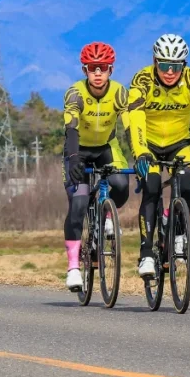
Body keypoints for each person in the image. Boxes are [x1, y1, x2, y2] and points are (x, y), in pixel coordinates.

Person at [127, 34, 190, 279]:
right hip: (147, 143)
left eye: (176, 66)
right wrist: (140, 152)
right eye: (164, 65)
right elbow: (135, 117)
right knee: (151, 187)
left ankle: (177, 228)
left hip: (179, 143)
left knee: (187, 184)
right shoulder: (142, 80)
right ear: (154, 61)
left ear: (184, 64)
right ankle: (147, 252)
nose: (170, 72)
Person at [61, 42, 131, 292]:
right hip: (78, 149)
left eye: (103, 68)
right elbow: (71, 127)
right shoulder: (75, 93)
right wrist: (73, 157)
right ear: (85, 70)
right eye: (93, 68)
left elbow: (130, 126)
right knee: (78, 204)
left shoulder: (120, 93)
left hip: (106, 147)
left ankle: (106, 212)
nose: (98, 73)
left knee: (121, 186)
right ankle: (73, 268)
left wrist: (141, 155)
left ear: (111, 69)